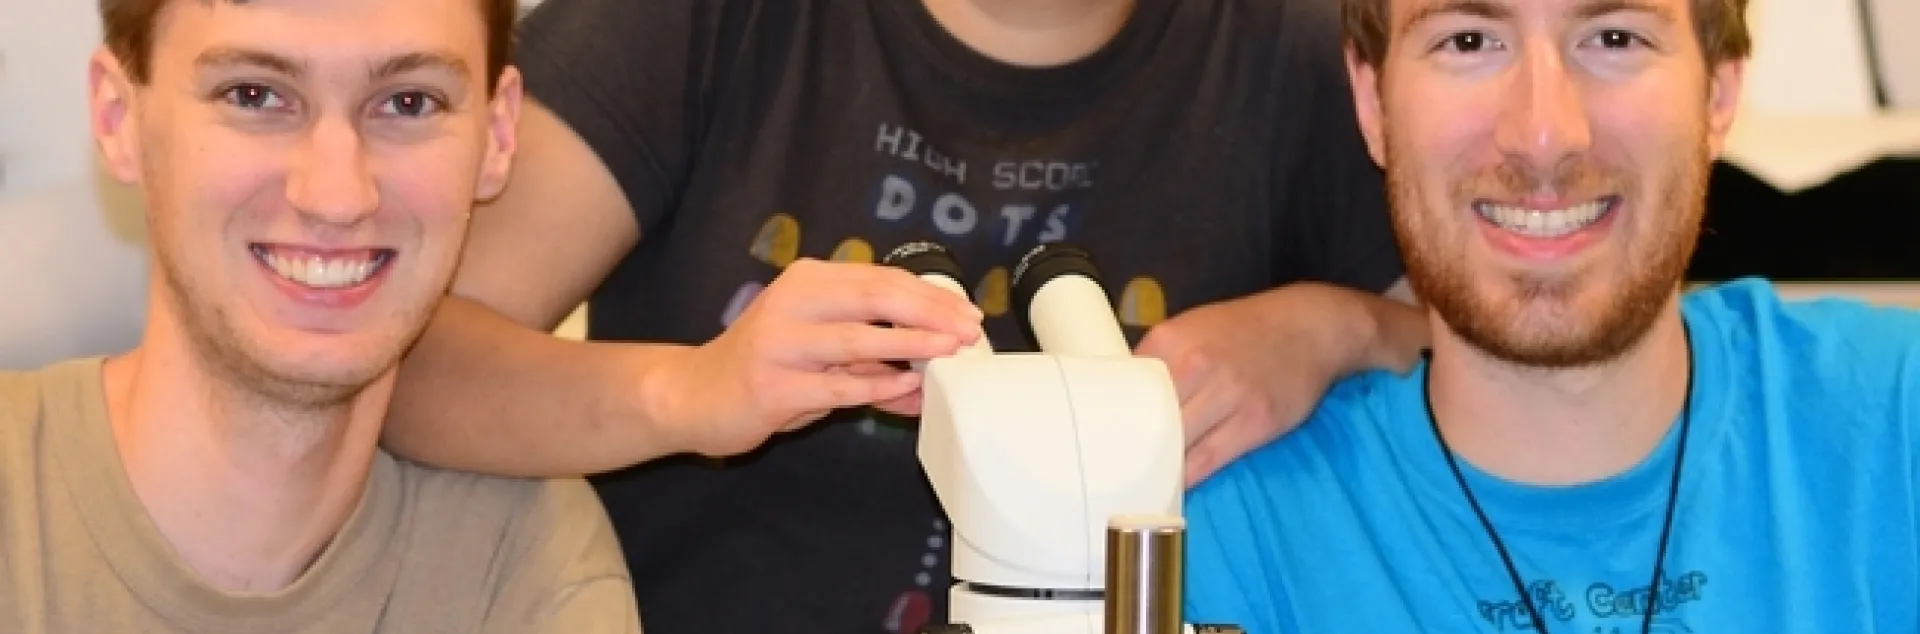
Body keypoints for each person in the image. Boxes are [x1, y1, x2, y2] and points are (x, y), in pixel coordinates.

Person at [373, 0, 1432, 631]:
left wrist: (1335, 330)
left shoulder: (1296, 59)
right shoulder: (702, 24)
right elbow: (400, 360)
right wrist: (691, 391)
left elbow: (1517, 360)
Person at [1181, 0, 1920, 630]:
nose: (1544, 134)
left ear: (1719, 95)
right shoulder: (1226, 540)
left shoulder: (1895, 420)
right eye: (1468, 41)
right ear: (1372, 103)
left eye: (1614, 38)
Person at [0, 0, 640, 631]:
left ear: (497, 138)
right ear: (119, 119)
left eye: (407, 103)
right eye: (253, 95)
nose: (337, 197)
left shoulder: (526, 563)